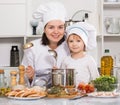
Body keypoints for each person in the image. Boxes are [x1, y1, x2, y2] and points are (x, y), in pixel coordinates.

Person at [21, 1, 70, 88]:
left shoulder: (70, 47)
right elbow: (23, 79)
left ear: (64, 29)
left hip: (64, 97)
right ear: (44, 29)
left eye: (60, 27)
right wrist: (30, 76)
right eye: (51, 27)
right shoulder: (32, 47)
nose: (56, 31)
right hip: (38, 97)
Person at [61, 22, 100, 87]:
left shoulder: (89, 60)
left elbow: (96, 79)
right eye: (71, 41)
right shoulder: (66, 60)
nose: (74, 44)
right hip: (70, 93)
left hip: (86, 94)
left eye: (78, 41)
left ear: (84, 43)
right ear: (67, 43)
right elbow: (62, 79)